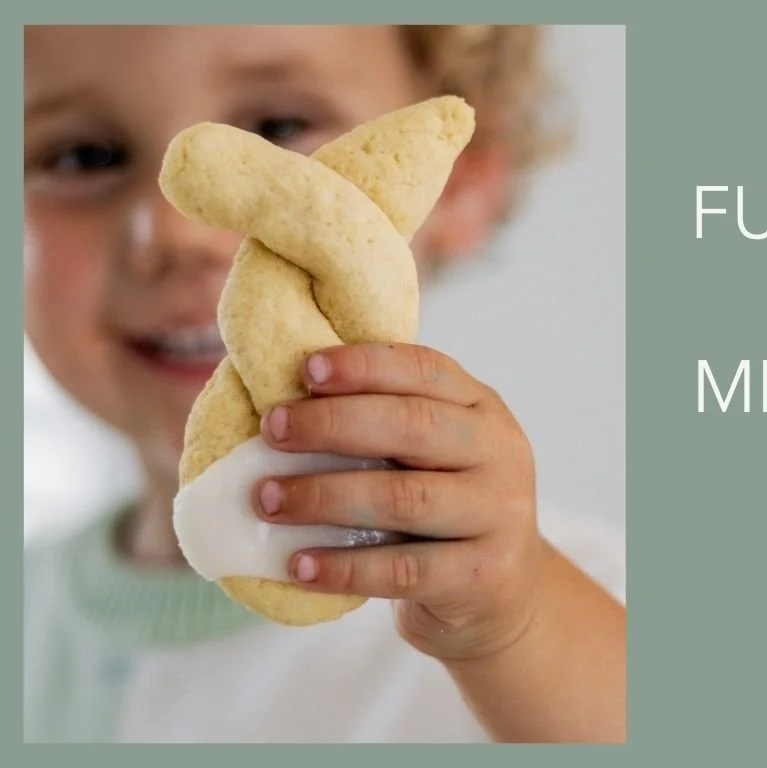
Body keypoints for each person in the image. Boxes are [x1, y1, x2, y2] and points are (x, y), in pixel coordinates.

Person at [22, 25, 626, 743]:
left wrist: (512, 626)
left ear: (457, 186)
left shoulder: (569, 609)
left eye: (279, 126)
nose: (177, 233)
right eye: (83, 156)